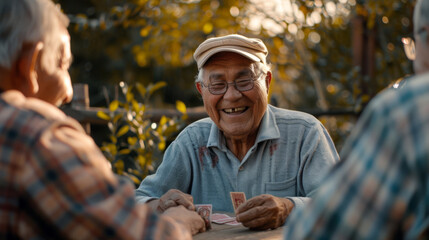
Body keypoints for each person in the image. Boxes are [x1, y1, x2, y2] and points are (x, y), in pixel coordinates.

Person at [0, 0, 206, 239]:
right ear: (30, 64)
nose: (68, 93)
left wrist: (155, 205)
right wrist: (178, 224)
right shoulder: (38, 136)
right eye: (62, 65)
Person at [135, 34, 340, 230]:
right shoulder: (191, 142)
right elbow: (136, 201)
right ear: (201, 91)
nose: (232, 96)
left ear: (267, 83)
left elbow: (340, 206)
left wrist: (288, 207)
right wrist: (161, 205)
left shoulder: (305, 134)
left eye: (244, 81)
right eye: (217, 85)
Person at [284, 0, 429, 239]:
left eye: (412, 46)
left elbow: (320, 233)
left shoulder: (410, 107)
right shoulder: (198, 136)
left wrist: (289, 205)